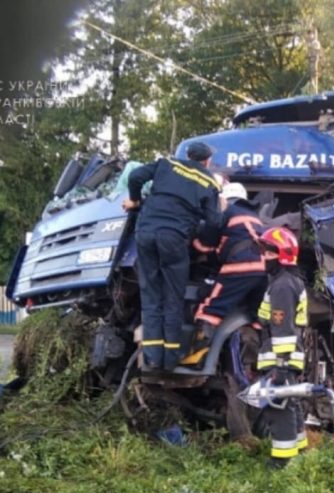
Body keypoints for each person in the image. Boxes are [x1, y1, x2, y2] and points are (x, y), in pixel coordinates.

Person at [122, 141, 222, 372]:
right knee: (173, 297)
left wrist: (135, 200)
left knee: (151, 294)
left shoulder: (167, 164)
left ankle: (153, 358)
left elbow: (135, 176)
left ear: (187, 155)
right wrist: (203, 239)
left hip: (146, 233)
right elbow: (215, 222)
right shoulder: (209, 181)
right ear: (207, 161)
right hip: (174, 240)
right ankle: (169, 360)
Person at [181, 182, 269, 367]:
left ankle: (196, 358)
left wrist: (193, 242)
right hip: (262, 271)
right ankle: (261, 353)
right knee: (256, 315)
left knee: (210, 310)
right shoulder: (254, 217)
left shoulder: (225, 212)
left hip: (239, 268)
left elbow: (206, 243)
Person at [256, 227, 309, 467]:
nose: (263, 257)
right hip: (287, 355)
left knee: (279, 405)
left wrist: (281, 366)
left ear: (282, 255)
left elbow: (282, 327)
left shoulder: (282, 286)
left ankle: (283, 461)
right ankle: (299, 453)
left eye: (268, 252)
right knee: (291, 402)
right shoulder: (288, 282)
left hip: (282, 357)